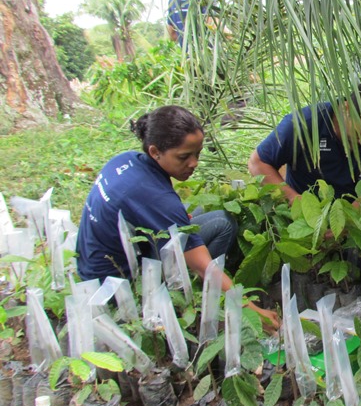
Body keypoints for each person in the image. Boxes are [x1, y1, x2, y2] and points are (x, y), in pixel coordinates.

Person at [76, 105, 280, 331]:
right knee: (222, 224)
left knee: (202, 214)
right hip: (116, 289)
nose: (194, 163)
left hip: (90, 270)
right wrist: (251, 309)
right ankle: (187, 297)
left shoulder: (128, 161)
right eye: (184, 156)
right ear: (155, 152)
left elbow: (148, 209)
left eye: (198, 153)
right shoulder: (156, 198)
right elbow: (204, 266)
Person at [248, 80, 361, 205]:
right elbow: (257, 163)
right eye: (359, 134)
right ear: (346, 108)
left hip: (357, 205)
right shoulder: (304, 124)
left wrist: (350, 220)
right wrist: (295, 201)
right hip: (311, 206)